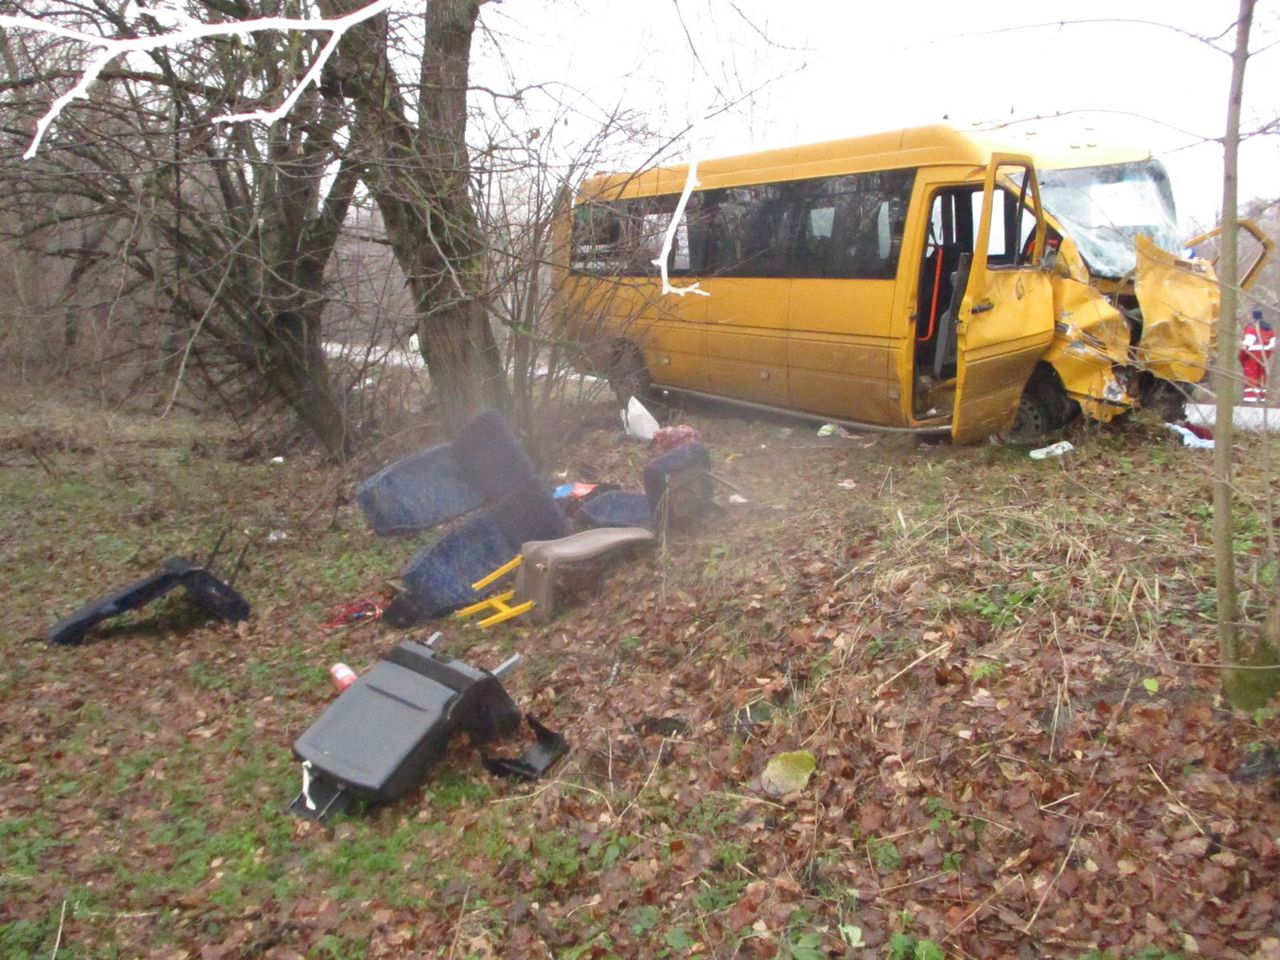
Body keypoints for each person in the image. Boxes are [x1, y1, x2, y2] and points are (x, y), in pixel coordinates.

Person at [1239, 309, 1274, 403]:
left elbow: (1247, 343)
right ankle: (1262, 397)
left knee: (1251, 376)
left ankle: (1250, 398)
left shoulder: (1252, 328)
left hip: (1252, 355)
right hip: (1264, 356)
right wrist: (1267, 355)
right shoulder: (1269, 329)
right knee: (1262, 376)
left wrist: (1242, 355)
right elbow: (1272, 344)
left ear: (1253, 317)